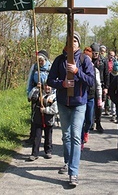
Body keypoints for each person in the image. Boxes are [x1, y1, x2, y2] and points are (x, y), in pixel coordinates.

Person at [47, 31, 94, 187]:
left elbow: (91, 80)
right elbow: (50, 80)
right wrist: (62, 84)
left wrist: (76, 71)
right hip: (63, 102)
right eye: (70, 40)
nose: (72, 43)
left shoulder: (84, 59)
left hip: (79, 103)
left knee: (75, 136)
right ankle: (67, 162)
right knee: (66, 136)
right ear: (66, 44)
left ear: (78, 43)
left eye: (75, 40)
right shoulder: (59, 60)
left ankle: (73, 173)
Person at [25, 50, 51, 144]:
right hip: (36, 93)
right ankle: (33, 137)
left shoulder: (50, 67)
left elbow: (54, 82)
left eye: (41, 60)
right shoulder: (35, 67)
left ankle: (47, 139)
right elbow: (30, 81)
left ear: (45, 59)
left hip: (47, 94)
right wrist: (29, 93)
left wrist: (52, 96)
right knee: (35, 115)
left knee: (46, 115)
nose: (40, 62)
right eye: (38, 60)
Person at [27, 84, 58, 161]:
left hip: (49, 120)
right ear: (43, 87)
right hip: (38, 119)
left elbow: (55, 110)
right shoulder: (39, 93)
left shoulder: (54, 96)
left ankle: (48, 151)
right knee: (37, 137)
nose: (47, 88)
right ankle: (34, 154)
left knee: (48, 137)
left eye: (49, 86)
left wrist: (44, 110)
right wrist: (35, 88)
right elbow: (30, 97)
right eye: (46, 86)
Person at [81, 47, 102, 150]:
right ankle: (80, 141)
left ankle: (86, 131)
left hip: (91, 97)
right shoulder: (79, 68)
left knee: (89, 119)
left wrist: (99, 99)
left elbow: (98, 85)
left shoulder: (95, 70)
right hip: (81, 97)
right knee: (81, 120)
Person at [90, 42, 109, 133]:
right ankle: (90, 123)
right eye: (93, 53)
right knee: (90, 105)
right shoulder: (87, 59)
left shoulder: (103, 60)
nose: (94, 55)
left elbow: (106, 74)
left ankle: (98, 123)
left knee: (99, 106)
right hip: (89, 86)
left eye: (96, 53)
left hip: (100, 86)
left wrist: (106, 87)